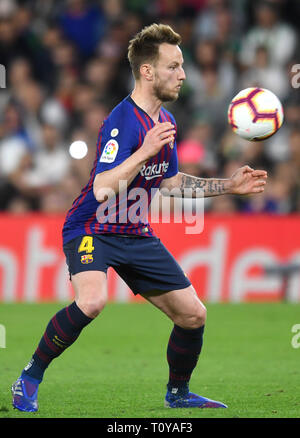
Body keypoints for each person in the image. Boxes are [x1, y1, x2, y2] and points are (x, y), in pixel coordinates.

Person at [12, 23, 268, 412]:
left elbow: (169, 183)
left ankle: (178, 394)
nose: (183, 74)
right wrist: (143, 152)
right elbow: (102, 187)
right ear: (147, 71)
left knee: (193, 315)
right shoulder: (122, 121)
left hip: (135, 232)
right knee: (92, 301)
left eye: (181, 66)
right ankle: (29, 377)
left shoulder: (166, 122)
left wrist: (228, 186)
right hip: (92, 228)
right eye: (173, 66)